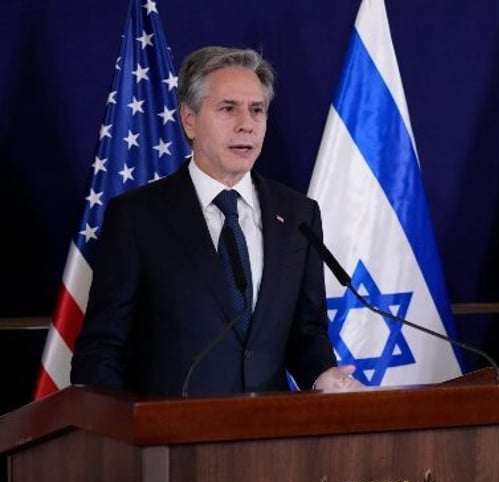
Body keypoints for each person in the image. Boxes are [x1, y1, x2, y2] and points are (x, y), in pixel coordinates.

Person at [71, 46, 360, 396]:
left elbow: (307, 332)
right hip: (169, 437)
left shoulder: (298, 214)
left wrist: (322, 376)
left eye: (257, 110)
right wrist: (117, 430)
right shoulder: (136, 218)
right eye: (228, 109)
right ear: (189, 120)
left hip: (273, 435)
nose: (246, 124)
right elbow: (102, 347)